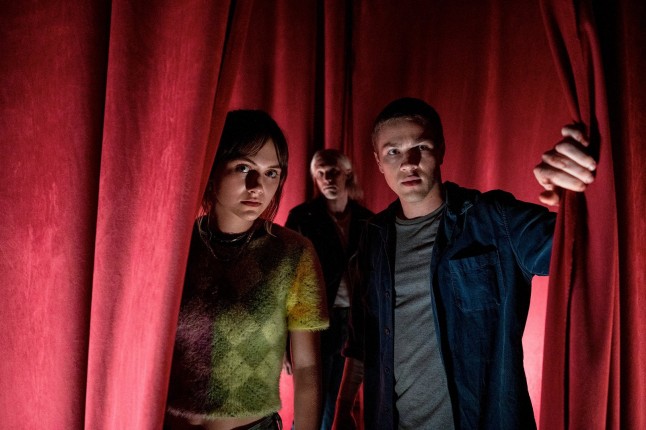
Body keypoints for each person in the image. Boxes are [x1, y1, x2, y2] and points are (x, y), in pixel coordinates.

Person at [332, 97, 597, 430]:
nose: (408, 163)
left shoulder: (495, 220)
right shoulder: (372, 239)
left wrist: (586, 186)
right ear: (378, 161)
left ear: (441, 150)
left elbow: (589, 250)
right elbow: (361, 343)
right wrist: (343, 408)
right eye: (393, 152)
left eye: (421, 147)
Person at [165, 110, 329, 430]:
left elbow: (308, 367)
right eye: (243, 167)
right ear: (212, 167)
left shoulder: (292, 254)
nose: (257, 186)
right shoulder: (173, 247)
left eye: (271, 173)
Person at [285, 149, 374, 430]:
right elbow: (287, 280)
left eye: (333, 171)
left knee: (341, 403)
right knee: (314, 401)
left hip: (355, 319)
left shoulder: (367, 220)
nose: (327, 179)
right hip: (315, 321)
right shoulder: (303, 217)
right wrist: (284, 341)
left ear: (347, 172)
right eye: (320, 173)